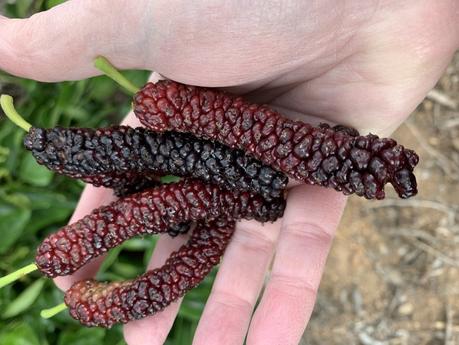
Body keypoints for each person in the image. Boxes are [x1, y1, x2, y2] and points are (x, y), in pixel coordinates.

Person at [1, 1, 458, 344]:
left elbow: (189, 164)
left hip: (253, 160)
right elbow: (174, 175)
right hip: (239, 171)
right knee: (190, 183)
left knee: (191, 177)